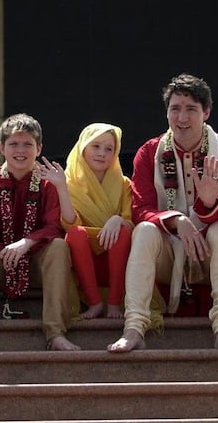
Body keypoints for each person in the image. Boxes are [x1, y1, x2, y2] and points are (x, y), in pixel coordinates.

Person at [107, 73, 218, 354]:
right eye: (175, 109)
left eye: (191, 109)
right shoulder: (149, 153)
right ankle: (134, 327)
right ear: (167, 112)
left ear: (206, 112)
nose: (182, 118)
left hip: (208, 249)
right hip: (168, 250)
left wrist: (207, 204)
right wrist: (177, 220)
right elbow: (140, 209)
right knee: (145, 229)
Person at [0, 113, 80, 352]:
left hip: (36, 265)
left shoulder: (48, 181)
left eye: (27, 144)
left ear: (39, 147)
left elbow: (55, 227)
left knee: (59, 246)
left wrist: (27, 242)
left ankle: (55, 333)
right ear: (2, 147)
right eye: (13, 144)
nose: (20, 150)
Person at [47, 123, 134, 319]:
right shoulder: (66, 182)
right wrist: (61, 188)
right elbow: (70, 224)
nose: (102, 153)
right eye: (96, 146)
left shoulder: (124, 184)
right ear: (83, 147)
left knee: (122, 232)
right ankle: (94, 303)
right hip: (83, 265)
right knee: (75, 234)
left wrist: (117, 219)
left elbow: (131, 222)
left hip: (118, 260)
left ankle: (113, 303)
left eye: (109, 149)